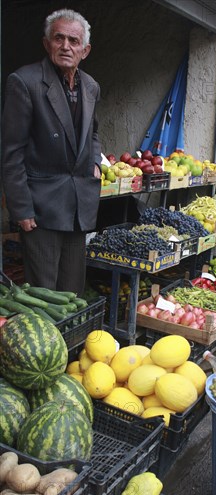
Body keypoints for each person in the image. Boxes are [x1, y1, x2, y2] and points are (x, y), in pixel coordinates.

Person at [1, 9, 102, 296]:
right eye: (59, 38)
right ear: (47, 44)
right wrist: (21, 208)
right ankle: (47, 341)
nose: (66, 46)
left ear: (85, 50)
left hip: (78, 204)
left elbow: (93, 133)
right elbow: (11, 152)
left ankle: (68, 341)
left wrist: (95, 161)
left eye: (73, 40)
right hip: (41, 206)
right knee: (45, 293)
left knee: (71, 292)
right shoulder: (25, 82)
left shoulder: (91, 87)